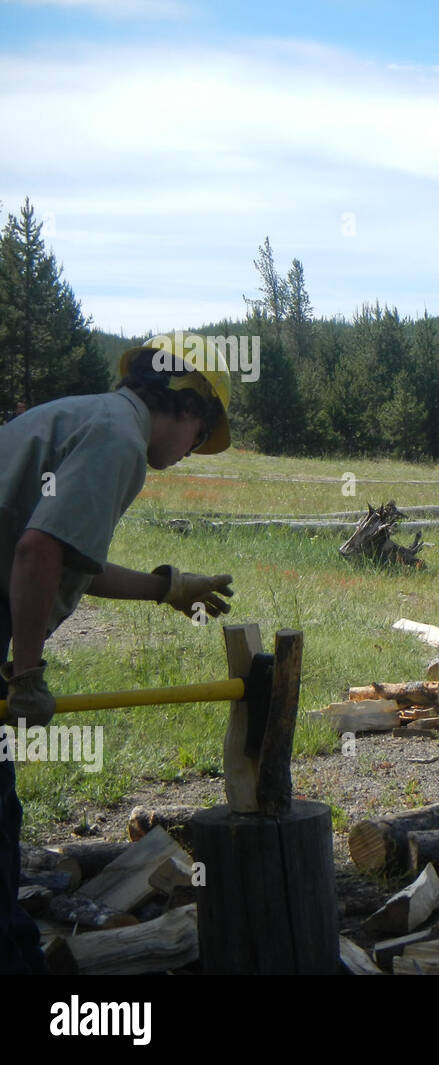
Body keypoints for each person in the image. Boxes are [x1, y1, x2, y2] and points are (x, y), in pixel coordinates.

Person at [1, 336, 236, 974]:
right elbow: (36, 555)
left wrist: (166, 589)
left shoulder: (92, 418)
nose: (189, 454)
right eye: (199, 436)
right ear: (186, 406)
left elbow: (67, 553)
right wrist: (27, 676)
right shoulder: (119, 442)